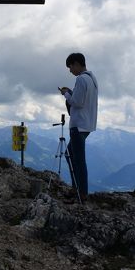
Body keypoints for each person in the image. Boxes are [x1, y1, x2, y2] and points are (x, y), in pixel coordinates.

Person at [58, 53, 98, 203]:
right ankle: (77, 189)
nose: (70, 70)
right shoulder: (92, 78)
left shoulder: (81, 79)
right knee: (70, 154)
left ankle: (81, 193)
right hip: (87, 124)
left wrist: (66, 94)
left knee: (79, 160)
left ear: (76, 64)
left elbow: (78, 102)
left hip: (78, 125)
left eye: (70, 67)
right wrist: (72, 93)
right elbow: (84, 100)